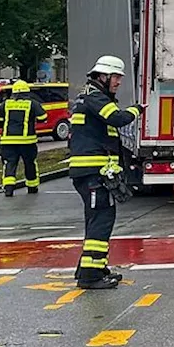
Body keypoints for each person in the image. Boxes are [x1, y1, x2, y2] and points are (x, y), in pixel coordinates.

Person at [68, 55, 144, 290]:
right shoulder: (95, 98)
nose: (119, 82)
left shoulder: (91, 97)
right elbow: (117, 118)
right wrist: (137, 110)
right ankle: (90, 277)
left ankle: (91, 268)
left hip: (93, 172)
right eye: (116, 77)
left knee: (96, 220)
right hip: (94, 173)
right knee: (101, 220)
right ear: (103, 76)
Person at [0, 80, 47, 197]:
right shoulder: (32, 103)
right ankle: (32, 187)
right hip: (27, 141)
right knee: (30, 163)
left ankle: (9, 189)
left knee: (9, 163)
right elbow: (43, 117)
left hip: (8, 141)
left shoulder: (6, 104)